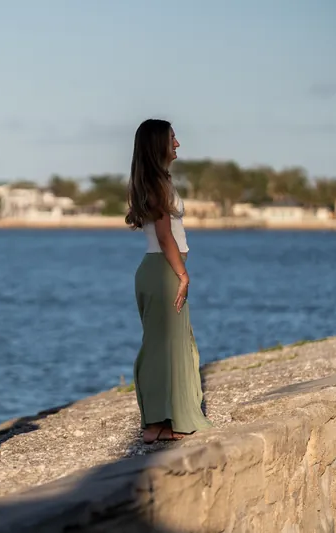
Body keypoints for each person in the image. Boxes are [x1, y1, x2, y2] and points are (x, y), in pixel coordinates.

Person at [125, 118, 212, 444]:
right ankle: (168, 421)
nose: (177, 144)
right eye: (173, 138)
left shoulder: (151, 180)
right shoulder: (157, 184)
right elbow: (165, 236)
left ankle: (159, 423)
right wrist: (182, 274)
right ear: (158, 143)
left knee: (165, 346)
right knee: (170, 348)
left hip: (157, 268)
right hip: (163, 269)